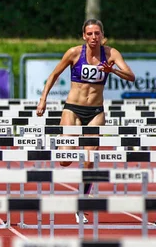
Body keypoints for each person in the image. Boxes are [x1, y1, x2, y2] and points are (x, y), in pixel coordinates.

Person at [36, 18, 135, 224]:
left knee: (90, 160)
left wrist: (112, 71)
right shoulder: (74, 53)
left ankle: (81, 203)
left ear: (102, 35)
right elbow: (54, 75)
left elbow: (131, 76)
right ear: (84, 35)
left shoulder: (110, 54)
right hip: (73, 109)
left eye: (97, 33)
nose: (93, 37)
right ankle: (66, 138)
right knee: (65, 160)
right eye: (89, 34)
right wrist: (43, 99)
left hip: (96, 112)